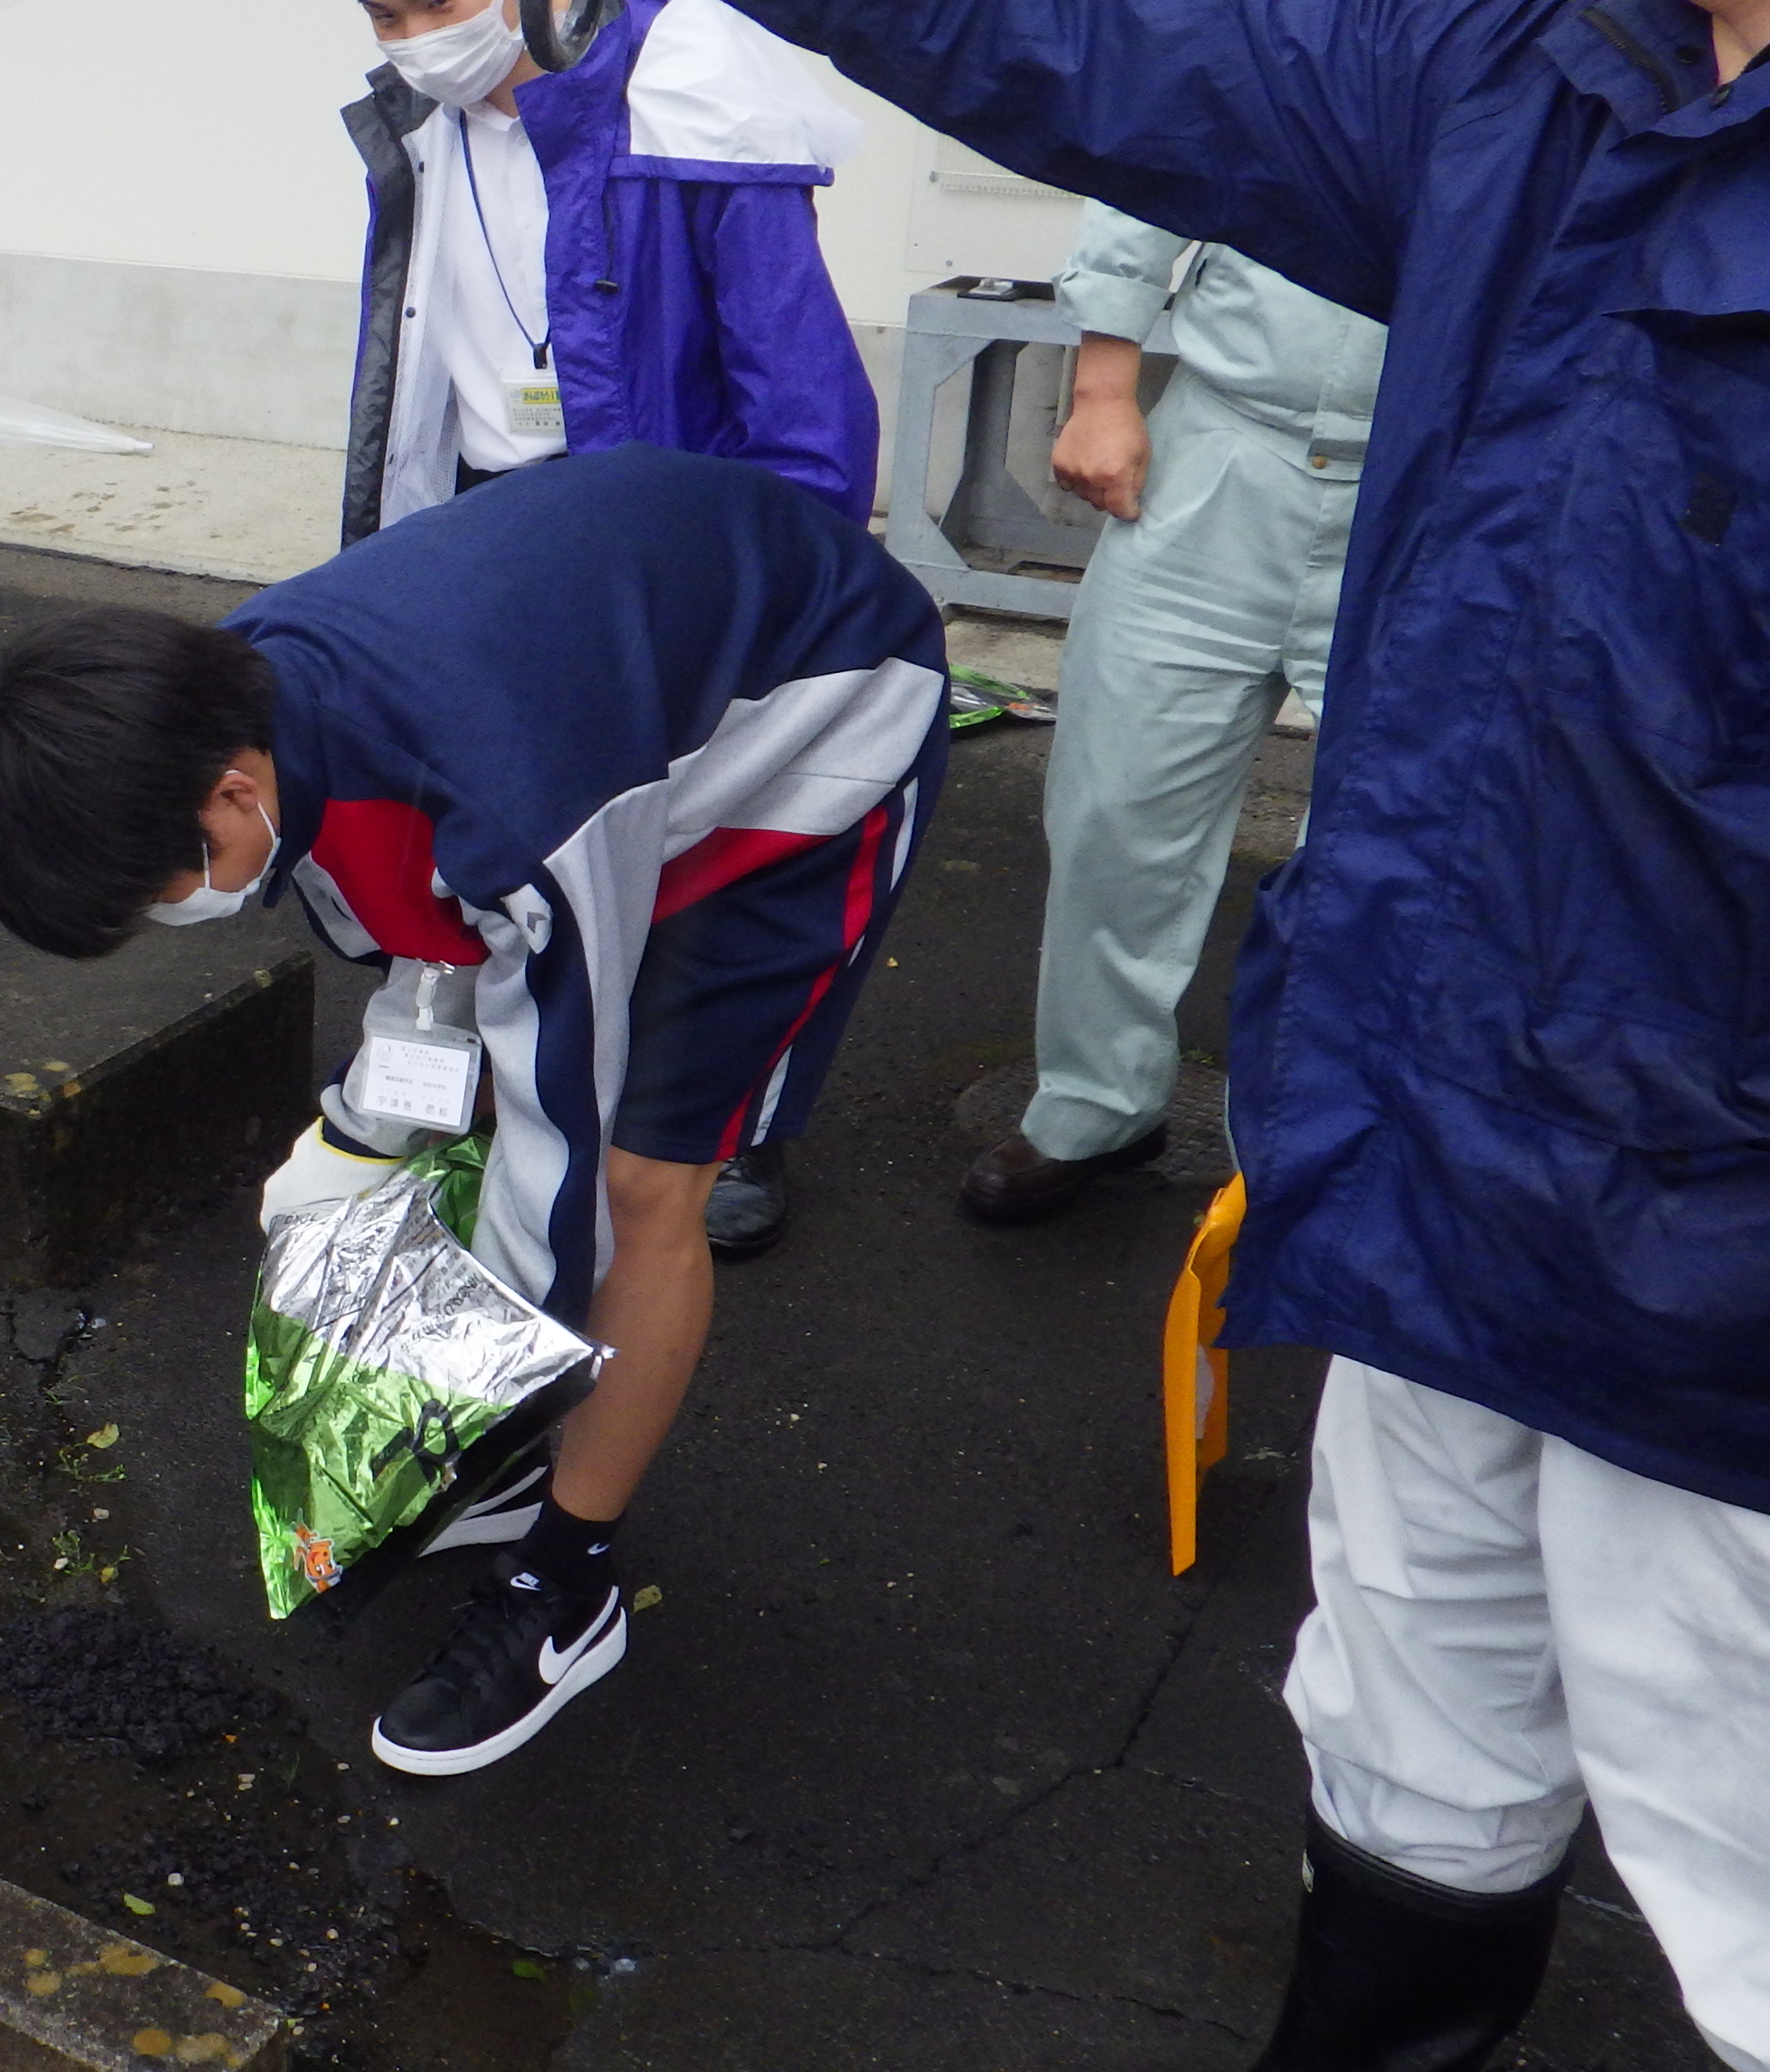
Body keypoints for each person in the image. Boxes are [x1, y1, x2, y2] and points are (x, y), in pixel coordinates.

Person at [717, 0, 1770, 2062]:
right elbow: (1095, 42)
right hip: (1434, 1191)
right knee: (1406, 1768)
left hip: (1716, 1310)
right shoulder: (1536, 73)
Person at [0, 444, 947, 1776]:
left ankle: (567, 1585)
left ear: (231, 794)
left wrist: (445, 1395)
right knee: (507, 1109)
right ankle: (535, 1457)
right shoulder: (236, 701)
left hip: (810, 735)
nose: (165, 915)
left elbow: (559, 1137)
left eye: (155, 887)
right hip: (620, 706)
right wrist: (353, 1142)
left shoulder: (506, 799)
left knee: (645, 1187)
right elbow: (433, 969)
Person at [345, 0, 878, 1257]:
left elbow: (800, 400)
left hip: (660, 533)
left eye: (439, 3)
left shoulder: (690, 99)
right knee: (502, 819)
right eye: (385, 10)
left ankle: (725, 1124)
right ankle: (507, 1080)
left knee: (698, 831)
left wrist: (781, 607)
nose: (417, 33)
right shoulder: (420, 120)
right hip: (482, 518)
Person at [959, 201, 1384, 1224]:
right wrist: (1103, 387)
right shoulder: (1294, 38)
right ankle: (1097, 1102)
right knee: (1118, 803)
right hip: (1224, 444)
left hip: (1429, 479)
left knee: (1383, 853)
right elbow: (1150, 176)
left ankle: (1322, 1145)